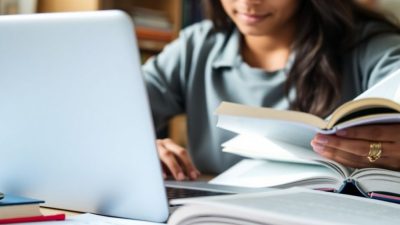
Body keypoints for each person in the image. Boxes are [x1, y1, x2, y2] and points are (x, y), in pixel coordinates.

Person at [142, 0, 400, 181]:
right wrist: (138, 148)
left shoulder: (372, 47)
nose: (248, 2)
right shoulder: (195, 46)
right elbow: (111, 115)